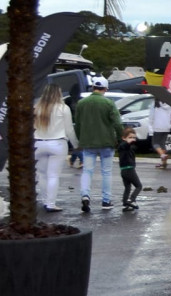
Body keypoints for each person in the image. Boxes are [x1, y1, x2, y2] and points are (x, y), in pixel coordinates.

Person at [75, 75, 124, 212]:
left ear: (93, 87)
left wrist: (80, 138)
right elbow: (117, 123)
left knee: (87, 171)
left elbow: (77, 124)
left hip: (88, 142)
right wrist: (121, 138)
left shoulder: (81, 103)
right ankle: (106, 200)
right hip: (106, 142)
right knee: (106, 172)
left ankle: (85, 195)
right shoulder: (109, 103)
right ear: (105, 89)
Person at [34, 84, 79, 212]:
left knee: (42, 175)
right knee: (53, 175)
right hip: (57, 143)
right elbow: (69, 130)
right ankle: (51, 203)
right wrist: (76, 145)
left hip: (38, 143)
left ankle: (44, 200)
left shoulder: (37, 108)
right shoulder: (63, 108)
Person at [118, 128, 142, 211]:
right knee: (139, 186)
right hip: (129, 170)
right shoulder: (123, 145)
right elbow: (125, 146)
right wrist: (128, 142)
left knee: (127, 187)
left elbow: (136, 145)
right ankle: (131, 200)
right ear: (123, 138)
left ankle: (125, 204)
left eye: (134, 138)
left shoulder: (130, 147)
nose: (132, 139)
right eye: (130, 137)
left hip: (124, 170)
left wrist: (133, 140)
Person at [149, 98, 171, 169]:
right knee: (163, 145)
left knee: (155, 143)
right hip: (167, 126)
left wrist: (150, 127)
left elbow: (151, 116)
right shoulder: (170, 103)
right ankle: (164, 163)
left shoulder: (155, 103)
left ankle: (162, 155)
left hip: (157, 126)